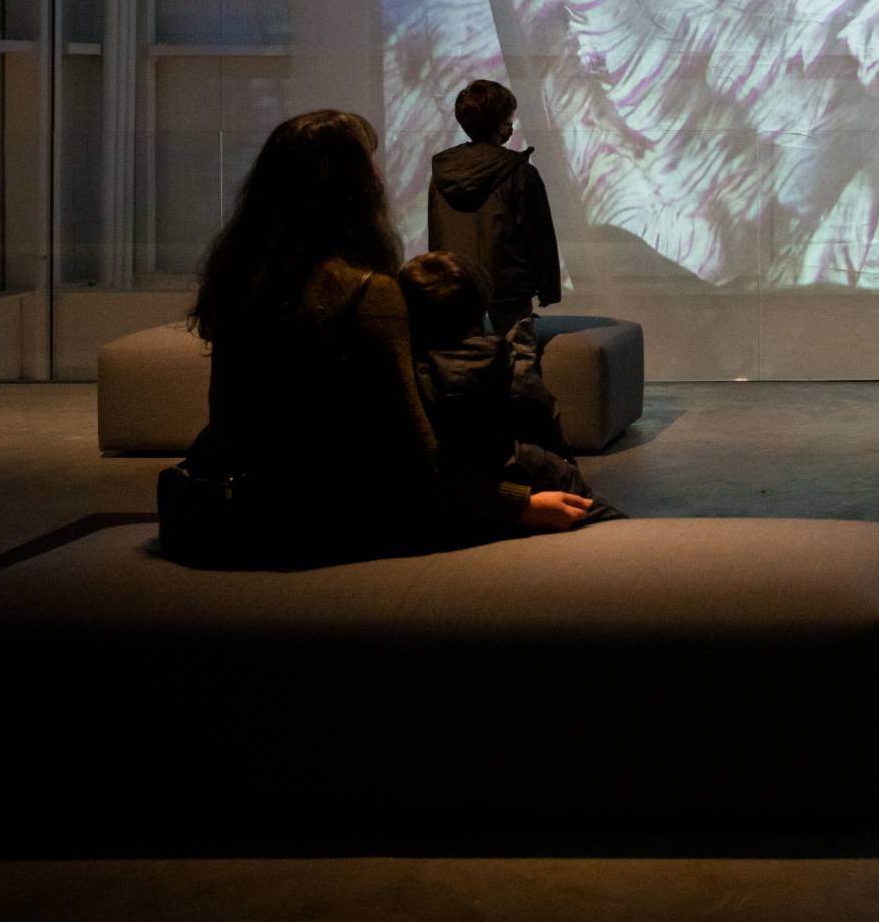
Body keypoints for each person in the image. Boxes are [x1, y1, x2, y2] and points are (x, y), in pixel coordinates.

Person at [169, 109, 598, 566]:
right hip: (338, 521)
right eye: (369, 162)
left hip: (248, 513)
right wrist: (517, 503)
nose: (379, 174)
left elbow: (230, 426)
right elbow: (411, 451)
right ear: (347, 186)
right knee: (558, 483)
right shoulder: (365, 292)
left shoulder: (240, 282)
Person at [396, 249, 623, 522]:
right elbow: (555, 449)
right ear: (480, 307)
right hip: (533, 494)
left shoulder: (394, 381)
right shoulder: (514, 378)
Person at [427, 79, 564, 334]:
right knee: (518, 363)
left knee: (463, 362)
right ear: (501, 123)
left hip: (455, 287)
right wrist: (548, 289)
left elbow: (436, 232)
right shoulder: (520, 172)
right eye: (509, 118)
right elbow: (539, 236)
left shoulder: (443, 171)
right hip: (508, 291)